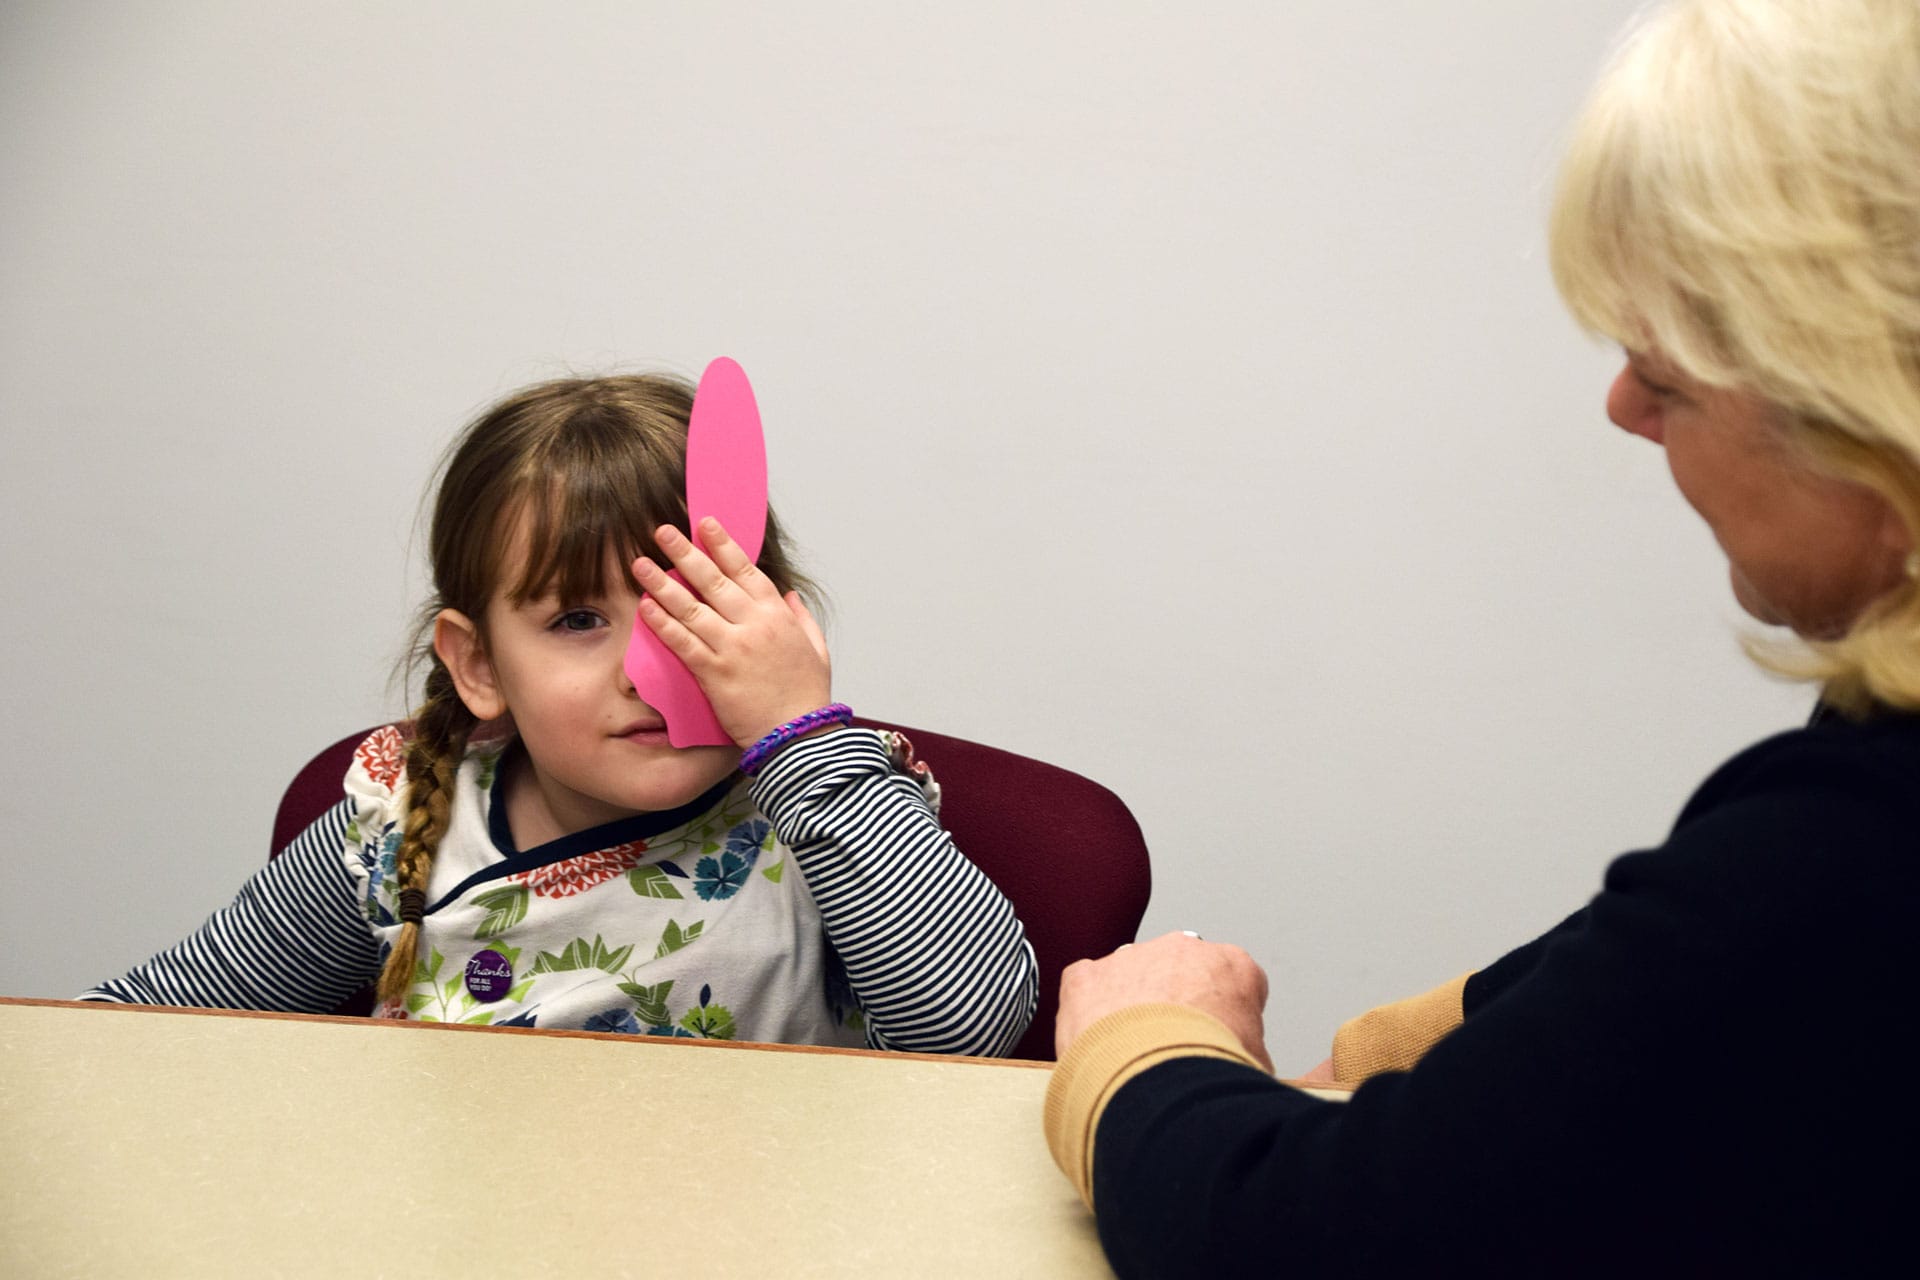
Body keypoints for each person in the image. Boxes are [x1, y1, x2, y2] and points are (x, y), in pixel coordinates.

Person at [1044, 0, 1920, 1273]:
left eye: (1665, 377)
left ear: (1866, 402)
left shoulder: (1855, 843)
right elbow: (1658, 986)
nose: (1623, 406)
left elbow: (1294, 1235)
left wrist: (1148, 1041)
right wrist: (1417, 1037)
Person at [85, 372, 1038, 1055]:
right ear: (479, 665)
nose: (646, 669)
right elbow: (149, 1030)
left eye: (696, 606)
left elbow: (978, 1028)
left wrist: (802, 738)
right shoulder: (394, 826)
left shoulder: (829, 812)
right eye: (578, 619)